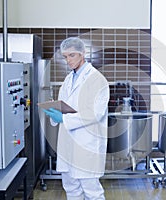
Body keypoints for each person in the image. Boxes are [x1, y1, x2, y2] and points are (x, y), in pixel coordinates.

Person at [43, 37, 110, 200]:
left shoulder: (97, 79)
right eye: (65, 56)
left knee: (91, 191)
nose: (68, 60)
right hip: (68, 143)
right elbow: (66, 105)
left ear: (83, 53)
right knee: (71, 188)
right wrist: (55, 110)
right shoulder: (68, 79)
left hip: (87, 144)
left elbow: (95, 113)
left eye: (72, 55)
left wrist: (64, 119)